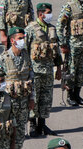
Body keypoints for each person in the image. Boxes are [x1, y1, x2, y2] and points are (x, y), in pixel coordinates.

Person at [0, 26, 35, 149]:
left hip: (23, 101)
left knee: (20, 130)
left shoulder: (26, 56)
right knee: (7, 130)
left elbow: (31, 78)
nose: (22, 41)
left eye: (23, 38)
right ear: (12, 41)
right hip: (8, 102)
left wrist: (32, 98)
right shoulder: (3, 58)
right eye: (20, 38)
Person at [26, 3, 62, 137]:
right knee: (34, 98)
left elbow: (56, 51)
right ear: (40, 14)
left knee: (46, 99)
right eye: (48, 12)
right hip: (34, 71)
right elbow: (25, 50)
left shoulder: (52, 28)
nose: (50, 15)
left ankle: (42, 125)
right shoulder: (30, 29)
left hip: (48, 71)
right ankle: (33, 125)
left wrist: (58, 68)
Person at [56, 0, 83, 106]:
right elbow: (59, 26)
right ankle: (70, 95)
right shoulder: (69, 6)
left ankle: (77, 94)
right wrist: (63, 44)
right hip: (73, 46)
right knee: (71, 72)